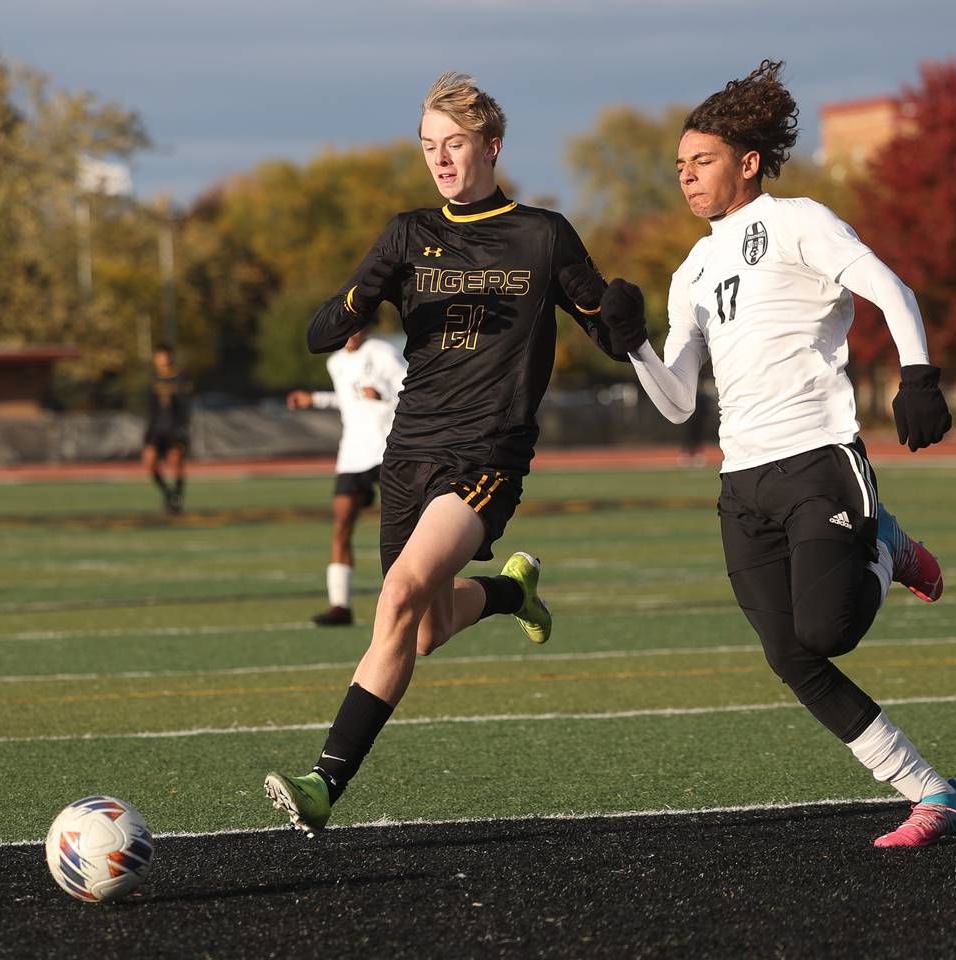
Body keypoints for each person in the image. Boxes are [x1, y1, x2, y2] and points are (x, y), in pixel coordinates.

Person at [600, 60, 956, 848]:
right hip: (743, 482)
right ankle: (932, 793)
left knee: (829, 630)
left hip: (816, 459)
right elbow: (675, 402)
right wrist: (631, 343)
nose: (686, 177)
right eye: (679, 167)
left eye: (700, 162)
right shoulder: (691, 270)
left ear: (747, 161)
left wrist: (918, 375)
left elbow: (892, 289)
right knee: (790, 655)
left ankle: (884, 542)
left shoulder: (802, 219)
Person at [264, 72, 623, 837]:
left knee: (392, 603)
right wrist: (365, 295)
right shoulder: (405, 233)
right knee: (422, 631)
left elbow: (612, 334)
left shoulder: (542, 234)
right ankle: (509, 594)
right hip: (409, 450)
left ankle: (324, 783)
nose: (441, 160)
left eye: (455, 144)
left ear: (493, 146)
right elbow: (320, 333)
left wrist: (625, 312)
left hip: (486, 453)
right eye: (429, 147)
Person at [286, 329, 408, 626]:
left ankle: (415, 596)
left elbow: (414, 390)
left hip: (389, 449)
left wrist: (385, 395)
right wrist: (313, 398)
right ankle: (340, 606)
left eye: (357, 325)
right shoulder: (335, 362)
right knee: (341, 522)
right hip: (353, 453)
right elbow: (347, 399)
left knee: (404, 527)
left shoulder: (382, 352)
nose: (351, 333)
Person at [142, 343, 191, 515]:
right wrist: (147, 433)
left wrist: (183, 428)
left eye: (166, 355)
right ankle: (168, 493)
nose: (163, 359)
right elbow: (151, 408)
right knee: (149, 462)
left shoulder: (180, 377)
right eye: (160, 356)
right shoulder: (153, 379)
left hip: (174, 428)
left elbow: (185, 406)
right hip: (157, 429)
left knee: (175, 463)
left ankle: (177, 497)